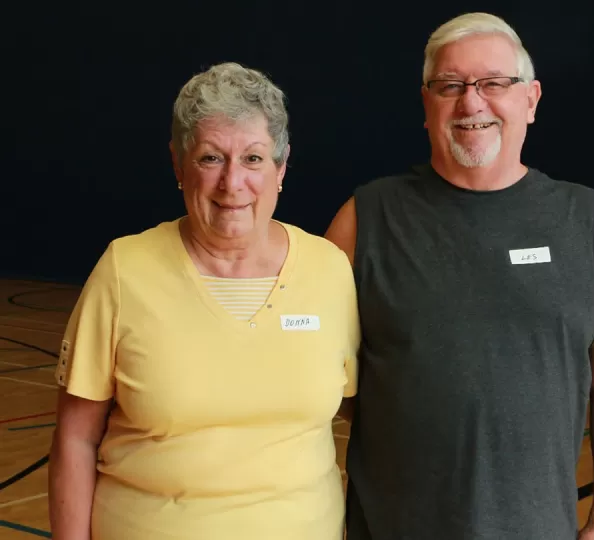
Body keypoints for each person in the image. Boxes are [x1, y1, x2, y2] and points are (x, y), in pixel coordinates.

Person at [325, 12, 594, 540]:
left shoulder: (588, 220)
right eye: (450, 86)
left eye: (494, 83)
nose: (472, 102)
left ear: (531, 100)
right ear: (426, 105)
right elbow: (328, 383)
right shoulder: (364, 219)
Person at [48, 62, 360, 540]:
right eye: (211, 158)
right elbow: (76, 437)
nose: (232, 184)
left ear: (282, 166)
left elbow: (367, 414)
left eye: (253, 159)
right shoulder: (123, 270)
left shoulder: (330, 271)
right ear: (178, 164)